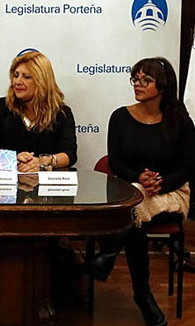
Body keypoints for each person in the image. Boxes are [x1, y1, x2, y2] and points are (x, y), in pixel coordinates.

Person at [91, 57, 194, 326]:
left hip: (172, 193)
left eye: (145, 80)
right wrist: (139, 177)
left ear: (162, 86)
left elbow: (187, 167)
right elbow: (115, 162)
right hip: (135, 191)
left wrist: (161, 183)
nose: (137, 84)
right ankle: (143, 295)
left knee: (131, 211)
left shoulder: (181, 121)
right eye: (135, 79)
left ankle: (109, 253)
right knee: (134, 214)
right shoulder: (120, 117)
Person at [0, 51, 77, 171]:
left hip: (46, 185)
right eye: (16, 75)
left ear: (42, 81)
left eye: (27, 77)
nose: (18, 82)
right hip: (7, 182)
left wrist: (42, 162)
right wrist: (14, 159)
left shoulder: (62, 113)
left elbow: (69, 154)